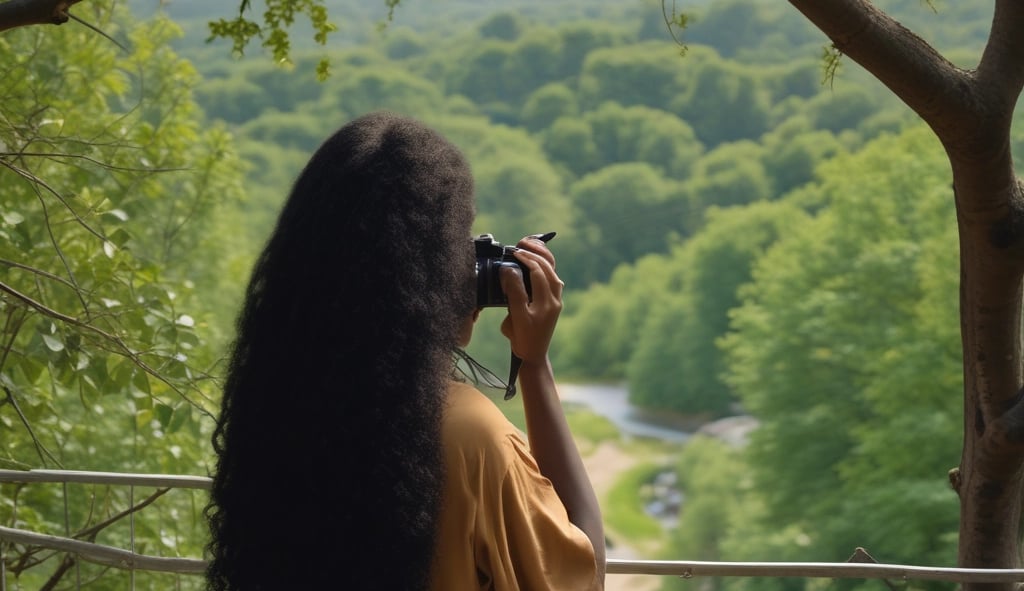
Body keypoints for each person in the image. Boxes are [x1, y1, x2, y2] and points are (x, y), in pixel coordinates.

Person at [204, 111, 605, 591]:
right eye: (457, 242)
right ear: (425, 279)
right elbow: (582, 575)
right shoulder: (469, 436)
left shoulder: (276, 408)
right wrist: (535, 366)